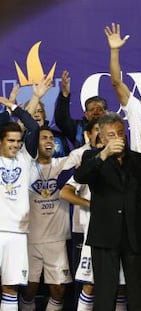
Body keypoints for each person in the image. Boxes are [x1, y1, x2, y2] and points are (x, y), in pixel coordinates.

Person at [74, 112, 141, 310]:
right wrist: (103, 154)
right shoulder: (91, 157)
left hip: (134, 235)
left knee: (139, 296)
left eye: (120, 133)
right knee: (104, 294)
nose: (117, 138)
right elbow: (80, 176)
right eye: (111, 135)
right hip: (104, 236)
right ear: (101, 138)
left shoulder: (138, 160)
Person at [20, 127, 72, 311]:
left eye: (51, 138)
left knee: (58, 290)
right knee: (28, 290)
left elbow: (83, 156)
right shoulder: (24, 166)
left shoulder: (64, 163)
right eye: (44, 138)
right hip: (30, 239)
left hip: (56, 240)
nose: (49, 141)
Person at [0, 87, 39, 311]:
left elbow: (33, 127)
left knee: (11, 288)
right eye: (10, 141)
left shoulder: (25, 159)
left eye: (17, 140)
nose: (15, 144)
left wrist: (15, 108)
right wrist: (6, 113)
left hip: (16, 232)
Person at [54, 70, 107, 148]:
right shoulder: (78, 128)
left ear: (105, 112)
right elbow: (62, 120)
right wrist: (64, 95)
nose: (96, 112)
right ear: (86, 114)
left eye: (99, 109)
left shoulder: (113, 127)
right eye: (91, 110)